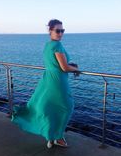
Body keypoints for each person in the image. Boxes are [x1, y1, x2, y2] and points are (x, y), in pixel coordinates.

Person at [11, 19, 79, 148]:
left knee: (50, 108)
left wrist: (69, 66)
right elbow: (64, 67)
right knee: (67, 107)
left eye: (62, 31)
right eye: (57, 30)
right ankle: (57, 137)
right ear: (50, 31)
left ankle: (51, 136)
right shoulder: (57, 46)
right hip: (58, 81)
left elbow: (56, 64)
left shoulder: (48, 45)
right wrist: (76, 68)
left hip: (48, 79)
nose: (60, 33)